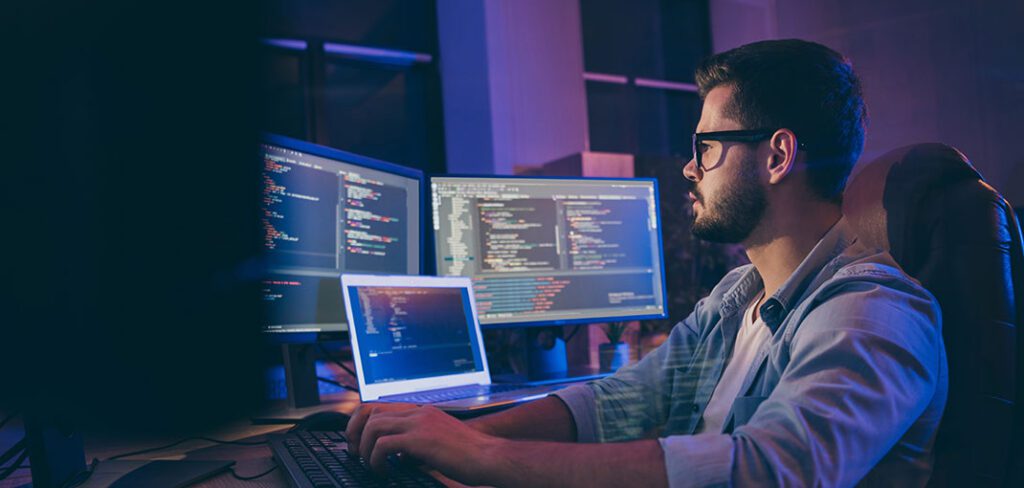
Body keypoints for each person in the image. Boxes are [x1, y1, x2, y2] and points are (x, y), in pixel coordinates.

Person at [344, 39, 948, 487]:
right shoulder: (740, 296)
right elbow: (622, 401)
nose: (690, 168)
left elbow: (771, 470)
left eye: (706, 147)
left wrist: (482, 457)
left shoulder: (873, 311)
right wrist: (450, 437)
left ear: (777, 156)